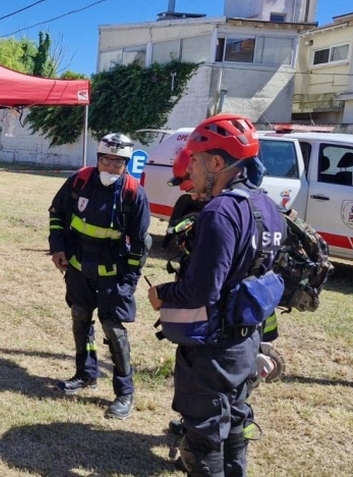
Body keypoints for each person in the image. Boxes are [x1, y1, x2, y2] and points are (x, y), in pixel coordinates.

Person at [148, 114, 286, 477]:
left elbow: (201, 290)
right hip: (246, 342)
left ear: (217, 162)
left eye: (193, 159)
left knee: (203, 438)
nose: (189, 167)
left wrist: (162, 294)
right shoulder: (268, 208)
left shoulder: (220, 212)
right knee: (236, 421)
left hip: (213, 350)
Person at [48, 132, 150, 420]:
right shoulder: (79, 181)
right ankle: (86, 374)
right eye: (106, 160)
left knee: (113, 330)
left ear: (126, 164)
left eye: (118, 162)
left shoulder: (133, 194)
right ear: (98, 159)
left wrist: (128, 285)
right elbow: (57, 213)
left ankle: (124, 392)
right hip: (79, 269)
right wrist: (58, 248)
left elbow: (140, 246)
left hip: (113, 276)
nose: (111, 167)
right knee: (80, 317)